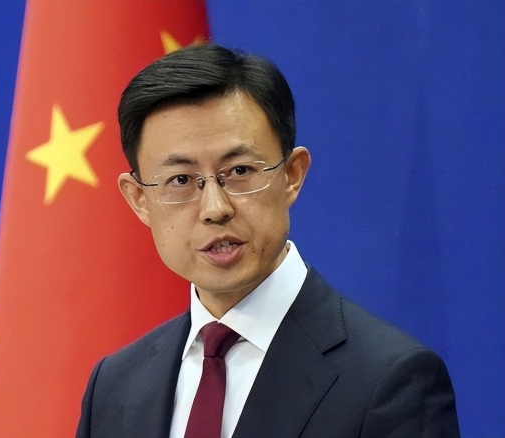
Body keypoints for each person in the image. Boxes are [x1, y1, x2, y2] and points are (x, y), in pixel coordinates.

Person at [76, 44, 459, 438]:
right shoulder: (114, 386)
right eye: (181, 180)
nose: (215, 208)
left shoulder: (390, 380)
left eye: (239, 171)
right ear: (139, 199)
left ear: (292, 174)